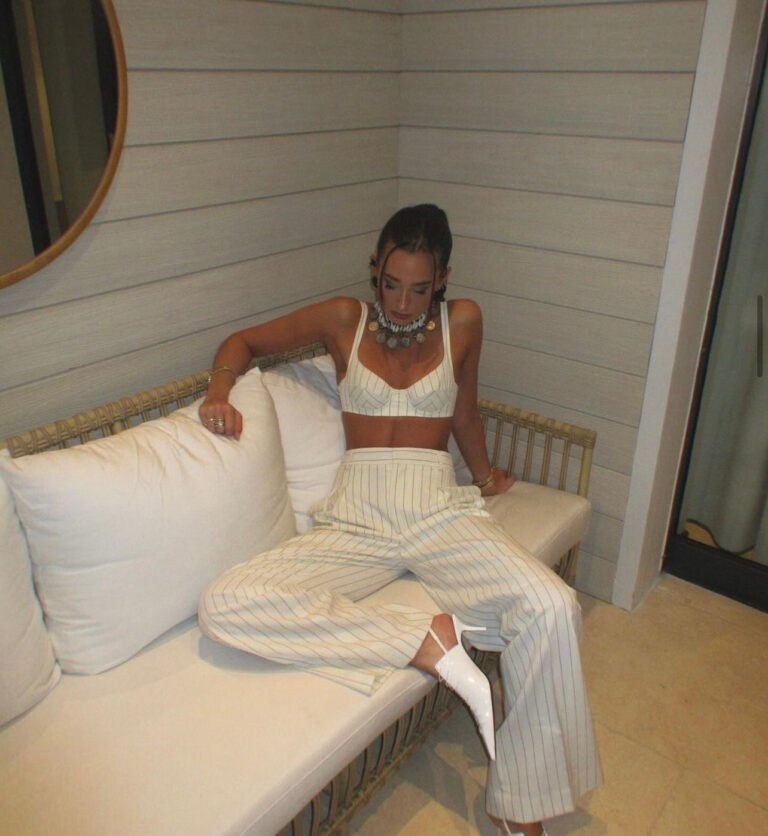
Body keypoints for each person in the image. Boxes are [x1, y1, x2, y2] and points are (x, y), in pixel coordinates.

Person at [197, 204, 601, 836]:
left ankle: (518, 801)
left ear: (442, 279)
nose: (404, 303)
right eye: (391, 284)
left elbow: (463, 410)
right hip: (356, 518)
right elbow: (242, 343)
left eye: (419, 288)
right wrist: (219, 391)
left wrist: (485, 478)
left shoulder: (463, 321)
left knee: (552, 606)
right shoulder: (343, 319)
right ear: (374, 269)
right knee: (225, 603)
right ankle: (422, 639)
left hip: (438, 509)